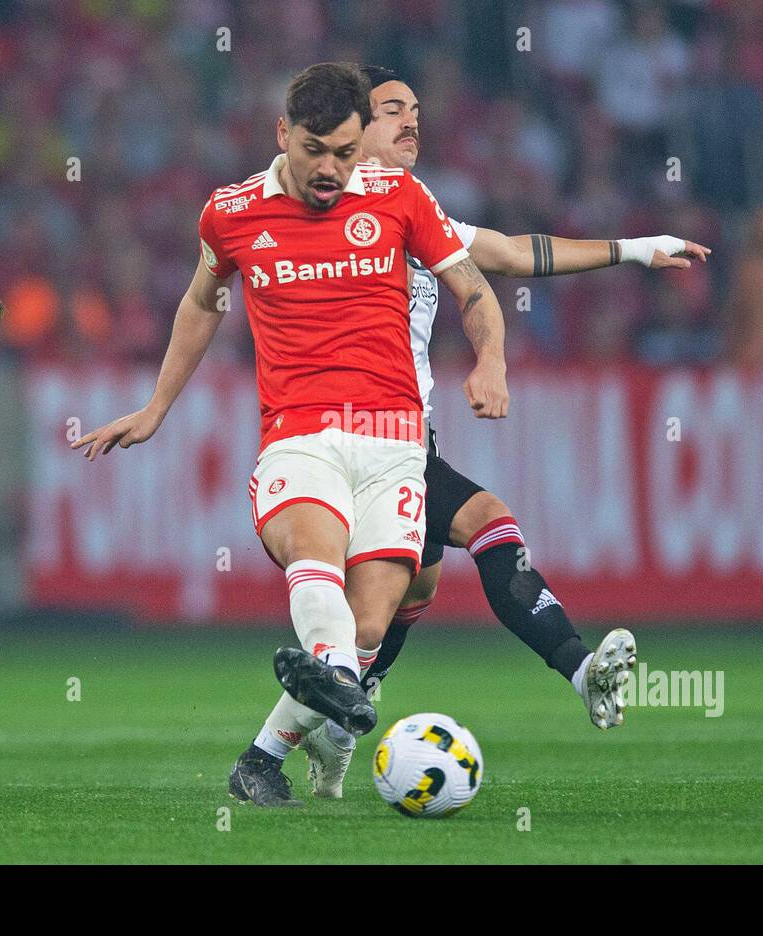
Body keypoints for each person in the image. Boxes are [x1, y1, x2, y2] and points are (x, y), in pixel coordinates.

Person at [71, 63, 512, 808]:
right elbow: (201, 302)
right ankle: (337, 681)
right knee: (315, 557)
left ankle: (269, 755)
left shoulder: (401, 198)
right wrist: (155, 407)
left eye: (346, 150)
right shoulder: (231, 212)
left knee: (367, 627)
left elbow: (473, 288)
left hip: (395, 442)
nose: (333, 169)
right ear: (283, 134)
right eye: (317, 150)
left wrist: (492, 358)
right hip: (300, 436)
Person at [298, 66, 711, 799]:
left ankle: (340, 721)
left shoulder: (414, 214)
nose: (413, 121)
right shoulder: (325, 217)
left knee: (404, 599)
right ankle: (581, 671)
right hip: (352, 442)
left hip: (407, 442)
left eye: (418, 109)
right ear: (352, 131)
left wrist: (637, 248)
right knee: (483, 526)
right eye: (394, 110)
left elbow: (520, 254)